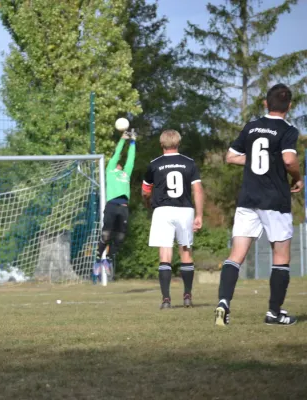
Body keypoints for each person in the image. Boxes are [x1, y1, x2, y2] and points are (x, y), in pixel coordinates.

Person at [214, 83, 302, 327]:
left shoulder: (251, 127)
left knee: (236, 254)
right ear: (289, 106)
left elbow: (230, 156)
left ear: (265, 103)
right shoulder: (288, 129)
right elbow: (288, 159)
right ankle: (274, 313)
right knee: (281, 256)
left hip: (248, 199)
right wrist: (297, 177)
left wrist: (253, 162)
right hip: (274, 199)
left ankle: (223, 303)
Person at [142, 130, 203, 309]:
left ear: (161, 144)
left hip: (163, 210)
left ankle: (166, 300)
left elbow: (146, 191)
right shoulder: (189, 163)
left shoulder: (154, 164)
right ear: (178, 143)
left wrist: (147, 203)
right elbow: (197, 190)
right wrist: (199, 215)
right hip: (185, 210)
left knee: (165, 254)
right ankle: (187, 296)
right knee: (185, 252)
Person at [93, 131, 136, 283]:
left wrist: (133, 142)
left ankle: (108, 260)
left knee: (120, 237)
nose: (119, 161)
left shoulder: (126, 173)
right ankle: (98, 259)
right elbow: (117, 154)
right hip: (112, 205)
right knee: (106, 235)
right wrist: (123, 140)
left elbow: (131, 159)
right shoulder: (110, 170)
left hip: (123, 206)